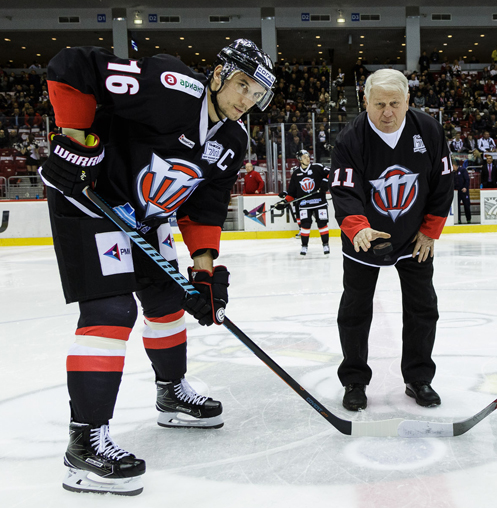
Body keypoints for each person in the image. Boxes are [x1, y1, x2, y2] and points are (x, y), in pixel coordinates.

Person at [39, 39, 275, 495]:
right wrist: (73, 142)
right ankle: (84, 444)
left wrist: (204, 274)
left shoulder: (232, 139)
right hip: (91, 203)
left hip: (147, 216)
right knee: (111, 312)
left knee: (168, 300)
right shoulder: (172, 86)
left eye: (257, 94)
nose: (247, 99)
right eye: (243, 85)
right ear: (219, 74)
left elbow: (204, 208)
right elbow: (73, 65)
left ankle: (171, 393)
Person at [330, 69, 453, 411]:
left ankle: (419, 378)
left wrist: (430, 230)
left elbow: (443, 182)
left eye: (395, 104)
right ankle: (354, 380)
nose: (388, 112)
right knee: (355, 310)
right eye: (379, 104)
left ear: (407, 101)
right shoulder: (351, 138)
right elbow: (344, 190)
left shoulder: (428, 130)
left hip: (415, 237)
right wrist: (358, 228)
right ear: (365, 101)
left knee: (423, 307)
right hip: (364, 238)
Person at [276, 149, 331, 255]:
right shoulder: (296, 173)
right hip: (304, 204)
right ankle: (304, 246)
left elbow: (332, 172)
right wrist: (285, 202)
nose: (307, 158)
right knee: (305, 225)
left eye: (308, 156)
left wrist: (326, 182)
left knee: (322, 223)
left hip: (319, 202)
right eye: (304, 157)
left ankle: (325, 244)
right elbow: (292, 193)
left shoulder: (317, 167)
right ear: (300, 160)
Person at [455, 154, 472, 224]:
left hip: (464, 191)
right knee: (457, 207)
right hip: (456, 192)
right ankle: (458, 219)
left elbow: (467, 179)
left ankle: (468, 219)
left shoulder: (462, 170)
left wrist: (465, 187)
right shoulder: (453, 172)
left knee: (466, 205)